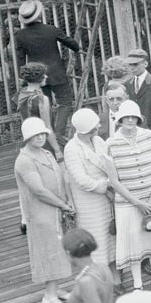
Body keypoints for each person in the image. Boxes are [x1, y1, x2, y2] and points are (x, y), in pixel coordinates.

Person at [104, 100, 151, 295]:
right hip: (128, 204)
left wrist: (150, 201)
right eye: (126, 117)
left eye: (134, 117)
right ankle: (138, 285)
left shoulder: (148, 136)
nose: (131, 120)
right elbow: (114, 181)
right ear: (120, 119)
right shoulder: (111, 143)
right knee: (134, 243)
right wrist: (137, 203)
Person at [15, 117, 75, 303]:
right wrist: (63, 205)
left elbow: (59, 178)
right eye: (36, 134)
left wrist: (66, 200)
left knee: (58, 251)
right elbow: (38, 190)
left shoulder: (46, 153)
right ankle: (48, 297)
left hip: (55, 209)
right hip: (40, 214)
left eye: (42, 133)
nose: (40, 137)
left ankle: (55, 289)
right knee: (49, 252)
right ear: (27, 137)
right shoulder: (24, 160)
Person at [14, 0, 82, 145]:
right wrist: (77, 48)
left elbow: (20, 59)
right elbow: (71, 43)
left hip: (37, 76)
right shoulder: (51, 29)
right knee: (65, 102)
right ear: (38, 15)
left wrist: (23, 78)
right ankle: (58, 133)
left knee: (45, 106)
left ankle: (48, 136)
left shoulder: (20, 35)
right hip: (57, 73)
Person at [65, 107, 116, 269]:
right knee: (96, 239)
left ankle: (115, 276)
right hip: (88, 203)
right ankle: (99, 275)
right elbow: (81, 180)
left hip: (107, 200)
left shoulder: (99, 142)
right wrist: (106, 184)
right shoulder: (71, 148)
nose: (99, 126)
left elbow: (109, 164)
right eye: (95, 124)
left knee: (111, 237)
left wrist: (111, 182)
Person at [16, 61, 55, 141]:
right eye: (44, 75)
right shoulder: (42, 99)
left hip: (28, 138)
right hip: (41, 140)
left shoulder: (21, 94)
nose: (46, 77)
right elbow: (47, 126)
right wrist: (57, 150)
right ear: (39, 78)